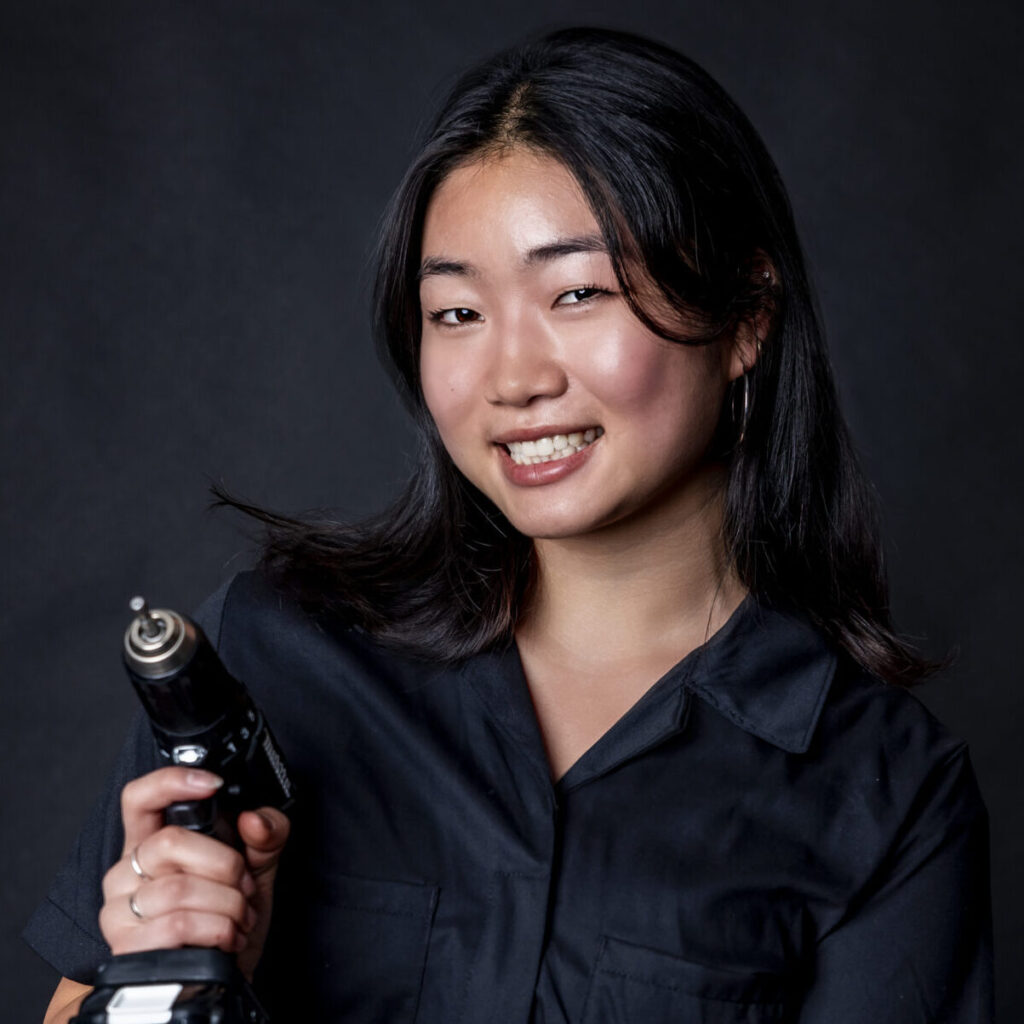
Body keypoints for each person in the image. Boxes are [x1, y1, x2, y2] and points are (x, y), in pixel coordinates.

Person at [29, 26, 993, 1023]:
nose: (513, 378)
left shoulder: (885, 793)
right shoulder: (269, 662)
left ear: (746, 313)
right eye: (457, 314)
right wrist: (175, 973)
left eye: (576, 292)